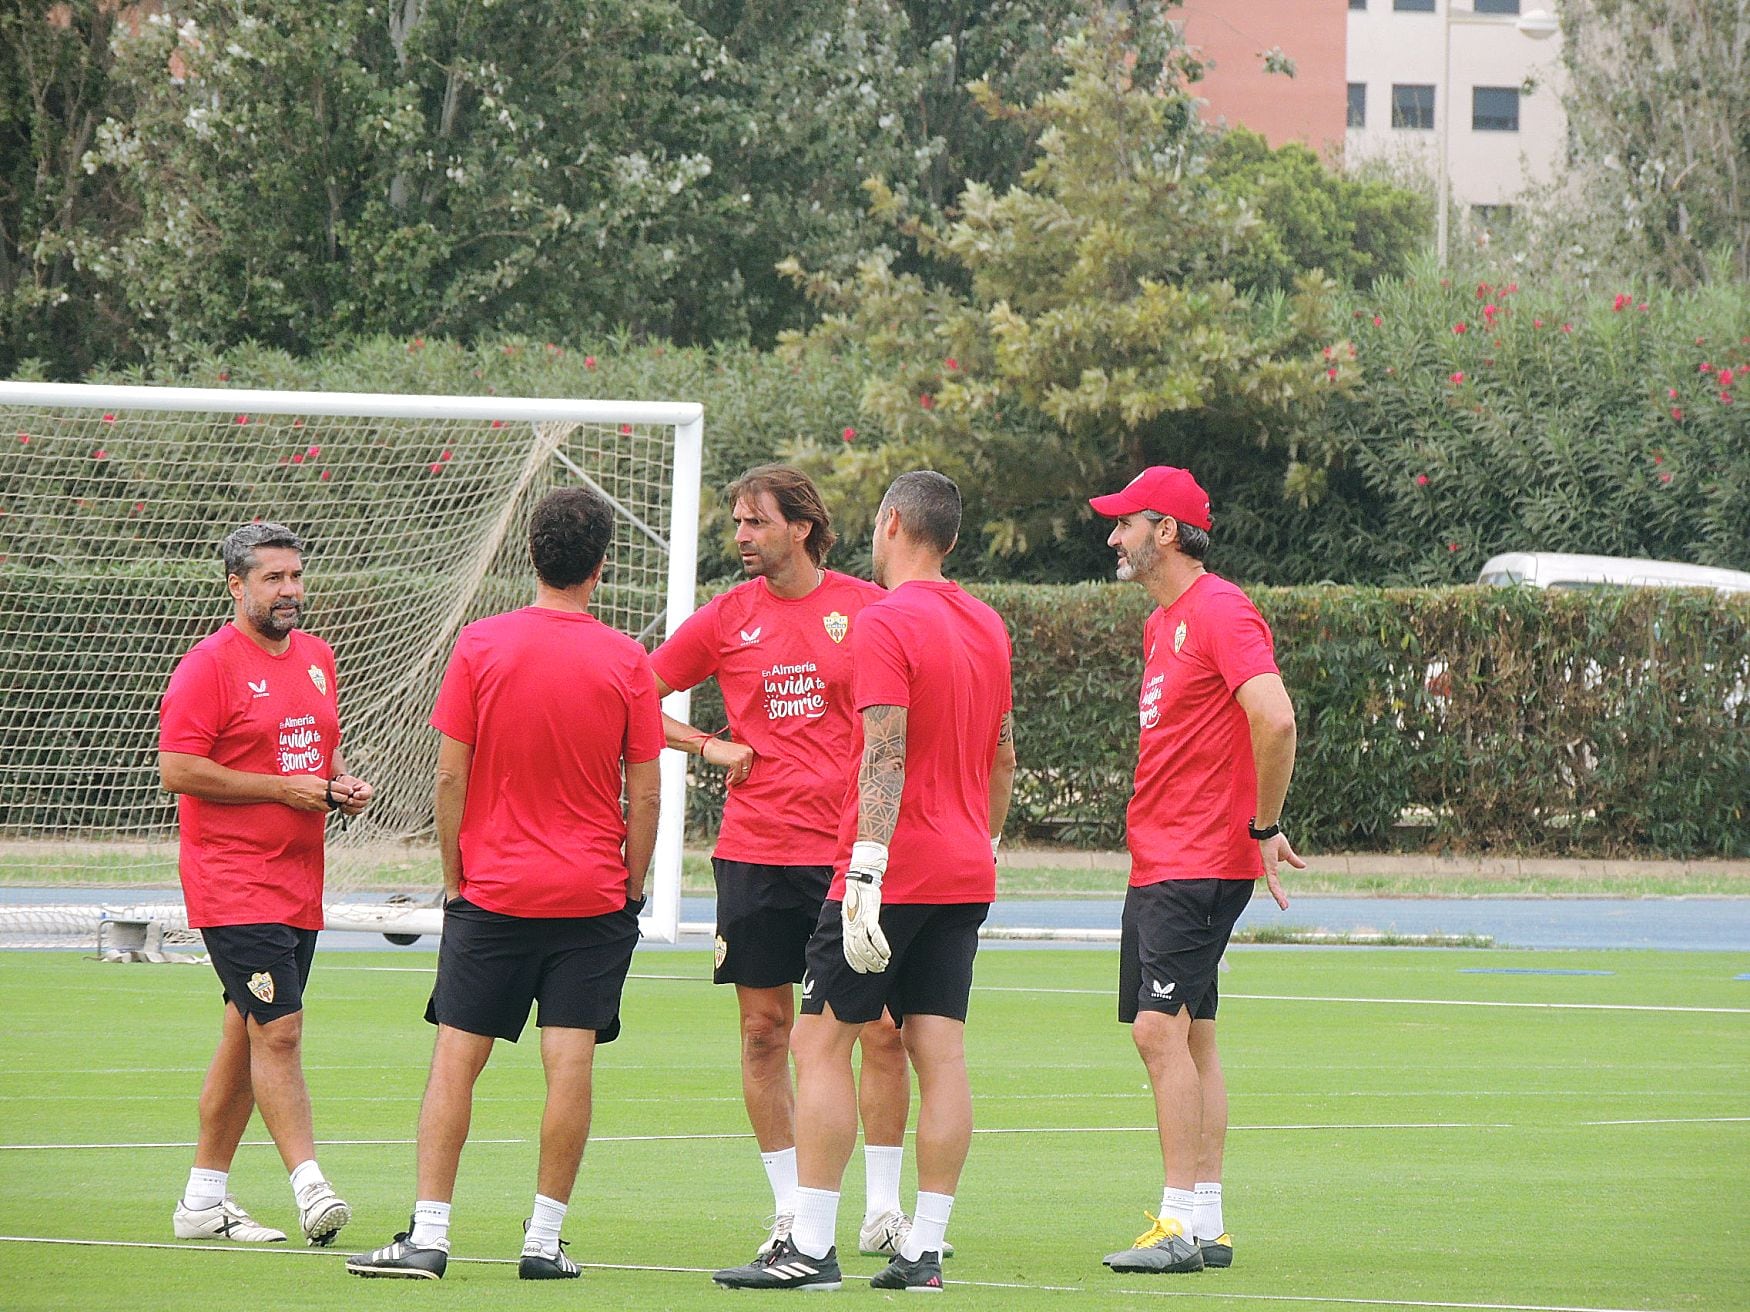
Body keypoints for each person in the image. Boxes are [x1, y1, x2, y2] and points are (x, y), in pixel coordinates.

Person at [346, 488, 663, 1281]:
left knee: (457, 1059)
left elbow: (449, 777)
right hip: (591, 894)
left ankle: (428, 1235)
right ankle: (543, 1242)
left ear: (532, 554)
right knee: (571, 1064)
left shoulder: (481, 646)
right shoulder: (625, 659)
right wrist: (630, 885)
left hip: (493, 891)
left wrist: (456, 876)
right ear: (600, 567)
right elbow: (647, 792)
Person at [713, 470, 1016, 1293]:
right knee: (940, 1053)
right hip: (963, 865)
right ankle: (923, 1252)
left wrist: (868, 867)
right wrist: (979, 841)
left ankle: (808, 1246)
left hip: (892, 867)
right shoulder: (988, 624)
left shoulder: (885, 622)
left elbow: (884, 750)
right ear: (947, 537)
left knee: (819, 1043)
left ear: (889, 525)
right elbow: (1004, 752)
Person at [650, 464, 930, 1261]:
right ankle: (787, 1212)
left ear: (801, 526)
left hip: (847, 858)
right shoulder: (726, 617)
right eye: (736, 523)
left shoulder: (866, 608)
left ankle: (882, 1207)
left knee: (879, 1030)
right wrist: (706, 743)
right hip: (755, 855)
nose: (740, 536)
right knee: (763, 1034)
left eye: (755, 522)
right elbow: (634, 690)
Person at [1087, 466, 1305, 1275]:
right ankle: (1206, 1223)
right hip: (1161, 859)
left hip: (1196, 861)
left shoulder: (1219, 608)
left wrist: (1265, 825)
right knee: (1193, 1034)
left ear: (1166, 532)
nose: (1113, 537)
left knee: (1157, 1032)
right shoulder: (1162, 623)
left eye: (1125, 524)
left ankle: (1177, 1224)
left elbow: (1275, 718)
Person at [159, 521, 372, 1248]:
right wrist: (281, 791)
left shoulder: (318, 656)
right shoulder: (207, 666)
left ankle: (201, 1202)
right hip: (231, 880)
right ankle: (311, 1185)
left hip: (297, 880)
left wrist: (336, 782)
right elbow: (178, 770)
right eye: (274, 579)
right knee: (278, 1031)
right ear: (237, 587)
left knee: (244, 1034)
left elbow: (319, 742)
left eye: (295, 576)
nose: (290, 591)